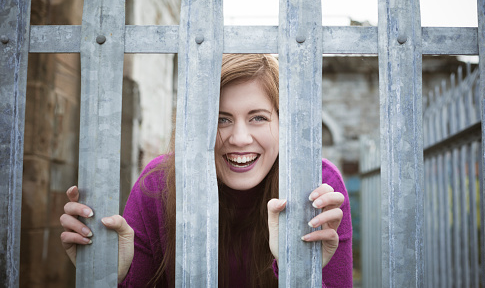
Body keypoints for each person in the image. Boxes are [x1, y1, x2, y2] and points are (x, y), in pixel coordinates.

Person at [60, 54, 353, 287]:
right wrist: (112, 280)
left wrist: (299, 274)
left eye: (258, 118)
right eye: (221, 119)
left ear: (283, 122)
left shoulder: (317, 186)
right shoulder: (159, 183)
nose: (239, 138)